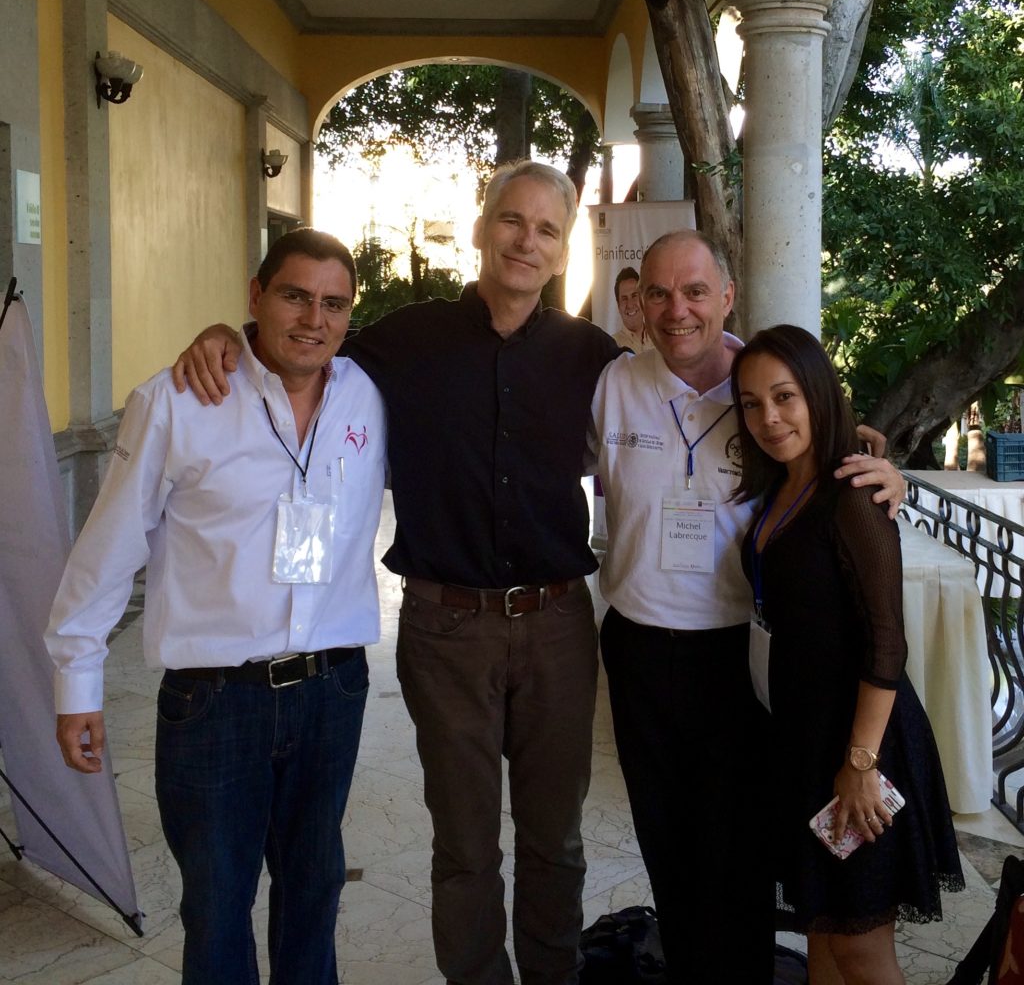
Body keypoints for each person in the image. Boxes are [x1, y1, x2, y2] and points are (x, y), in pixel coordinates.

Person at [171, 161, 622, 985]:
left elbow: (684, 396)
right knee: (464, 845)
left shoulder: (592, 356)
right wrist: (223, 338)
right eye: (512, 221)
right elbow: (301, 343)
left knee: (557, 841)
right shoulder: (402, 342)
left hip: (558, 625)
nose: (527, 240)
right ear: (483, 228)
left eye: (547, 229)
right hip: (446, 631)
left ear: (563, 252)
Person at [46, 230, 387, 985]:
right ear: (255, 295)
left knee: (314, 893)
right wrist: (78, 686)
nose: (313, 319)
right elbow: (106, 550)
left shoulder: (368, 392)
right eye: (296, 295)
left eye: (334, 303)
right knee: (216, 905)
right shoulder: (177, 401)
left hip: (333, 692)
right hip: (214, 705)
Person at [590, 229, 905, 984]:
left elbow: (841, 459)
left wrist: (893, 477)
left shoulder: (762, 384)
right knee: (665, 844)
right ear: (635, 305)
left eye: (695, 291)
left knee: (736, 852)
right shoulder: (613, 383)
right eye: (658, 293)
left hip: (738, 657)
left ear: (726, 297)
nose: (677, 310)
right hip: (637, 648)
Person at [732, 324, 964, 985]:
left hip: (863, 747)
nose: (769, 418)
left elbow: (886, 640)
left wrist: (859, 764)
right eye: (751, 403)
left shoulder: (856, 495)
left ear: (817, 394)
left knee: (861, 947)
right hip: (807, 743)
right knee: (826, 938)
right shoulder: (783, 486)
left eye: (785, 396)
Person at [611, 265, 651, 353]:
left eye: (634, 296)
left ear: (642, 298)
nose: (630, 305)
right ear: (618, 305)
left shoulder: (659, 339)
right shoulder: (612, 346)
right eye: (624, 298)